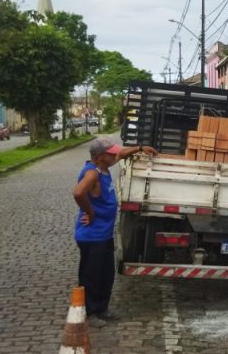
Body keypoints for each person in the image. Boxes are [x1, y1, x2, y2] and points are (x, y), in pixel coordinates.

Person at [72, 138, 156, 327]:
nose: (115, 156)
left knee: (106, 274)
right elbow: (78, 193)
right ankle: (90, 312)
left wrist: (141, 147)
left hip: (104, 235)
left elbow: (121, 154)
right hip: (92, 236)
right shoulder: (92, 174)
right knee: (91, 276)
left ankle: (102, 308)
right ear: (101, 157)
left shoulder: (103, 167)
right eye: (111, 154)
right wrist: (90, 212)